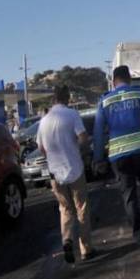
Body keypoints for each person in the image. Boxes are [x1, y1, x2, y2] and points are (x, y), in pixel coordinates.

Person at [93, 65, 140, 251]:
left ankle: (139, 236)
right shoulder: (138, 93)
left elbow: (98, 133)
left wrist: (98, 158)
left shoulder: (104, 100)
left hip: (118, 156)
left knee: (129, 196)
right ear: (130, 79)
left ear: (113, 81)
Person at [37, 85, 94, 263]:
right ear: (67, 98)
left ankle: (67, 239)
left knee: (65, 209)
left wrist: (54, 158)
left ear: (53, 99)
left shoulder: (44, 121)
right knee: (81, 208)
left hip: (55, 173)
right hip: (74, 169)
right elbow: (83, 137)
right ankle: (86, 249)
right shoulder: (72, 115)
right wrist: (77, 148)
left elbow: (41, 148)